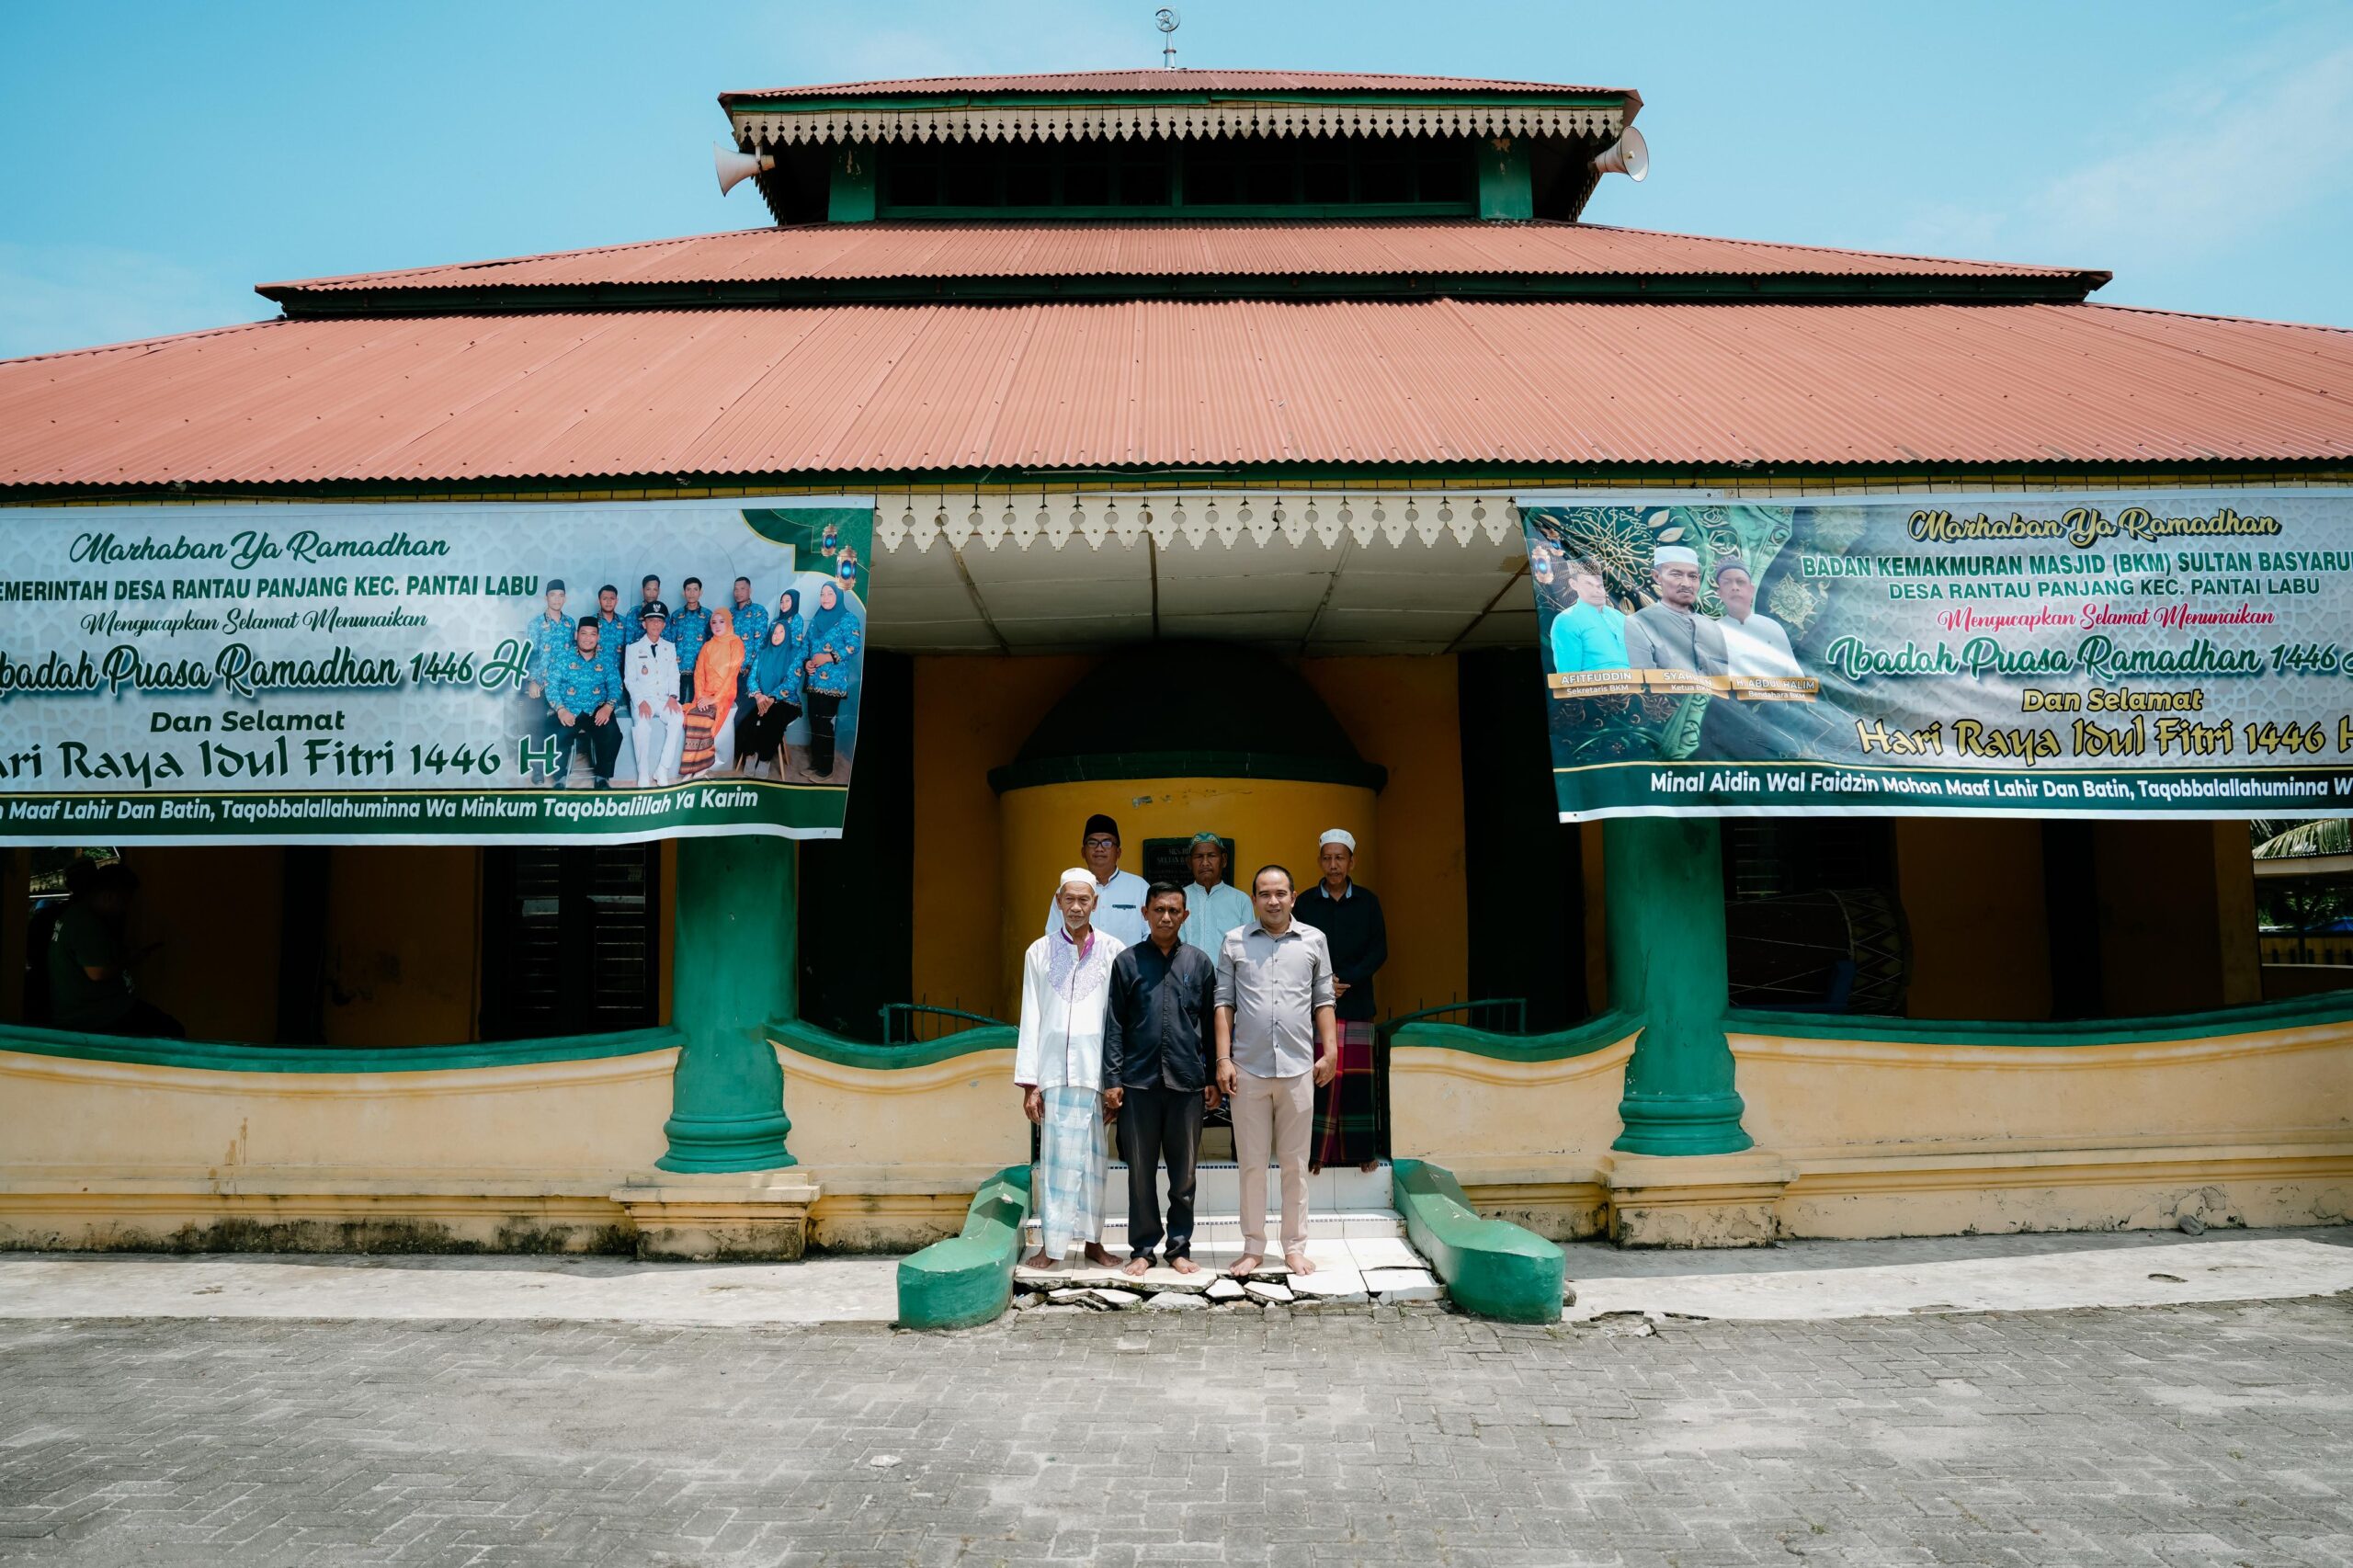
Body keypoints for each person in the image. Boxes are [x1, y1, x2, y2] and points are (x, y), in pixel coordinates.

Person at [1214, 865, 1338, 1278]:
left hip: (1299, 1067)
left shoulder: (1313, 940)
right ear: (1254, 899)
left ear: (1293, 896)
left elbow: (1323, 999)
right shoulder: (1234, 941)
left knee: (1294, 1163)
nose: (1273, 900)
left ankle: (1295, 1247)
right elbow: (1223, 1003)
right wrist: (1223, 1059)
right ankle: (1252, 1246)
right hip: (1247, 1069)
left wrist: (1331, 1051)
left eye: (1280, 893)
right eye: (1265, 893)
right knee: (1250, 1163)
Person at [1101, 882, 1220, 1278]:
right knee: (1140, 1171)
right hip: (1137, 1084)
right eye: (1159, 910)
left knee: (1184, 1174)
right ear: (1145, 912)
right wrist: (1113, 1078)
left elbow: (1210, 1022)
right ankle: (1143, 1248)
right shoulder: (1128, 963)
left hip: (1186, 1083)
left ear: (1185, 915)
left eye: (1173, 910)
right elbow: (1114, 1024)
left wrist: (1212, 1076)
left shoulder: (1200, 964)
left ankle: (1179, 1247)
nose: (1166, 917)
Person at [1014, 868, 1126, 1271]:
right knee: (1056, 1168)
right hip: (1054, 1079)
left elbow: (1120, 1019)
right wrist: (1031, 1084)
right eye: (1069, 899)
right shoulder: (1038, 952)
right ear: (1057, 900)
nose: (1076, 907)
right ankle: (1052, 1247)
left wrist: (1116, 1081)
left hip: (1096, 1077)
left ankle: (1095, 1243)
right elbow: (1031, 1016)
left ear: (1095, 903)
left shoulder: (1114, 951)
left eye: (1084, 900)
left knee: (1096, 1165)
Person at [1294, 829, 1389, 1174]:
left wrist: (1345, 979)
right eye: (1327, 858)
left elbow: (1379, 950)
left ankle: (1361, 1152)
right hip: (1315, 1004)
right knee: (1320, 1078)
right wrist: (1323, 982)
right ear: (1320, 861)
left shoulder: (1367, 901)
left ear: (1352, 861)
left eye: (1340, 858)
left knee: (1356, 1083)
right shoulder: (1304, 902)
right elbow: (1296, 947)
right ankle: (1317, 1153)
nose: (1333, 865)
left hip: (1357, 1000)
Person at [46, 861, 184, 1039]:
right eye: (125, 901)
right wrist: (131, 960)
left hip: (95, 1011)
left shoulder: (76, 916)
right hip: (97, 1015)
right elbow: (98, 972)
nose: (125, 909)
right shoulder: (86, 923)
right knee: (172, 1032)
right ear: (109, 896)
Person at [1041, 813, 1151, 949]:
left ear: (1118, 852)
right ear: (1083, 852)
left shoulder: (1139, 887)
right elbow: (1053, 936)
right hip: (1078, 967)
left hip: (1127, 968)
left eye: (1107, 843)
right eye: (1092, 843)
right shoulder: (1066, 890)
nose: (1099, 848)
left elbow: (1151, 934)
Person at [1624, 545, 1728, 676]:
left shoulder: (1712, 628)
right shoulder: (1638, 624)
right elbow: (1644, 684)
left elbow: (1724, 683)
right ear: (1657, 577)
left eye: (1693, 576)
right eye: (1676, 575)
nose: (1687, 583)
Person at [547, 615, 623, 788]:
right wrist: (560, 709)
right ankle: (559, 778)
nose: (588, 638)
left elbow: (615, 685)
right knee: (555, 735)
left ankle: (602, 777)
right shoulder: (563, 658)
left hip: (596, 709)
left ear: (598, 637)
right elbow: (551, 685)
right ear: (576, 635)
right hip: (569, 709)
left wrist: (609, 707)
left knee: (613, 734)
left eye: (592, 634)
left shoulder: (606, 659)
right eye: (584, 633)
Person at [799, 580, 861, 779]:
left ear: (838, 596)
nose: (825, 598)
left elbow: (854, 646)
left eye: (830, 594)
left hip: (832, 683)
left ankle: (825, 769)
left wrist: (827, 657)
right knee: (814, 723)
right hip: (814, 681)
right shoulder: (817, 619)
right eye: (822, 594)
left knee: (824, 725)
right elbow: (807, 645)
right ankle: (816, 764)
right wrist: (807, 663)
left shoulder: (848, 619)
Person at [734, 597, 803, 777]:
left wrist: (771, 698)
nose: (776, 635)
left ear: (787, 634)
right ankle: (750, 755)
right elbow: (752, 679)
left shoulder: (793, 655)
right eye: (774, 631)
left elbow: (791, 682)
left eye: (781, 632)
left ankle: (764, 758)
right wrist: (758, 696)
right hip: (760, 698)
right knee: (745, 716)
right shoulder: (762, 653)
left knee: (772, 718)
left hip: (784, 701)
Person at [624, 600, 685, 786]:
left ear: (664, 624)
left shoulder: (669, 646)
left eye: (659, 621)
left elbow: (674, 675)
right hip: (644, 698)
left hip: (665, 698)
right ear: (644, 624)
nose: (656, 624)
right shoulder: (633, 649)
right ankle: (643, 773)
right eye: (651, 621)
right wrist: (639, 701)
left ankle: (662, 769)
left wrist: (674, 697)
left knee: (677, 718)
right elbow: (630, 680)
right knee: (642, 726)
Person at [681, 604, 743, 778]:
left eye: (721, 622)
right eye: (713, 622)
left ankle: (701, 766)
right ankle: (692, 767)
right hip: (704, 694)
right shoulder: (707, 646)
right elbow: (699, 674)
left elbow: (731, 676)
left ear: (729, 623)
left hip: (724, 693)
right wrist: (700, 697)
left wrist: (712, 700)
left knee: (707, 718)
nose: (717, 625)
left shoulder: (735, 643)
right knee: (694, 714)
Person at [519, 579, 571, 784]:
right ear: (546, 597)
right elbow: (530, 655)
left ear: (565, 598)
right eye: (553, 595)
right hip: (539, 685)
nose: (557, 599)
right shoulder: (535, 624)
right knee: (535, 724)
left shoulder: (570, 624)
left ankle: (560, 773)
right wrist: (532, 681)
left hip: (562, 686)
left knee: (566, 724)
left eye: (560, 595)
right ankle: (538, 770)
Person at [1714, 559, 1801, 677]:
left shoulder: (1773, 628)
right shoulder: (1713, 631)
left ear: (1751, 590)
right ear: (1720, 593)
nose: (1734, 587)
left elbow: (1794, 674)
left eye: (1740, 582)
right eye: (1727, 583)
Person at [1548, 556, 1629, 675]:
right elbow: (1567, 677)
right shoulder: (1566, 620)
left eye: (1600, 585)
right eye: (1589, 584)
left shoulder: (1620, 617)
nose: (1597, 591)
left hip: (1633, 689)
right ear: (1573, 584)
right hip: (1595, 691)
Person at [1177, 831, 1253, 956]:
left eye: (1211, 856)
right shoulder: (1178, 898)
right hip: (1187, 974)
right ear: (1189, 862)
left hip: (1228, 975)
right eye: (1199, 856)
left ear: (1223, 860)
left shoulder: (1241, 900)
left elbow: (1248, 947)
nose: (1205, 862)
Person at [670, 577, 712, 703]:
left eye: (695, 589)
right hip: (678, 667)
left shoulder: (708, 615)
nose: (692, 593)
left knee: (696, 703)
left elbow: (712, 642)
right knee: (679, 703)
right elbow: (671, 641)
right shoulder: (676, 615)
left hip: (699, 667)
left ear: (701, 592)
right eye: (688, 589)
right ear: (684, 592)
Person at [728, 577, 770, 699]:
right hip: (730, 670)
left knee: (743, 707)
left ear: (750, 590)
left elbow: (760, 642)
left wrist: (749, 666)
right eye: (736, 589)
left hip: (748, 670)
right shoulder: (730, 613)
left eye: (742, 589)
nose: (738, 593)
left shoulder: (759, 611)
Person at [624, 574, 664, 644]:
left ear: (659, 591)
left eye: (655, 589)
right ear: (642, 590)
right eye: (648, 589)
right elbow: (628, 641)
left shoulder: (663, 612)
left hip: (660, 653)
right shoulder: (633, 613)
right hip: (637, 653)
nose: (651, 593)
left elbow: (668, 640)